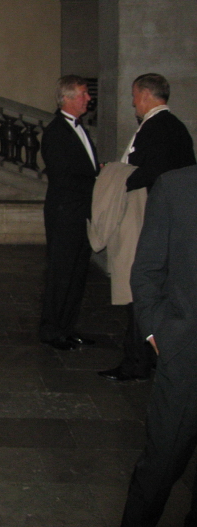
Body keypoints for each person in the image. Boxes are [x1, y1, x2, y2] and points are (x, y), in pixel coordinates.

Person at [98, 73, 196, 382]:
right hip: (173, 218)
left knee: (141, 286)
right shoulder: (175, 126)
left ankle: (136, 362)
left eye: (133, 96)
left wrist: (114, 177)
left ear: (144, 95)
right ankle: (152, 356)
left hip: (151, 217)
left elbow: (147, 172)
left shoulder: (155, 127)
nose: (132, 103)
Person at [119, 165, 197, 527]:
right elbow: (147, 269)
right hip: (187, 351)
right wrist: (158, 331)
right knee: (161, 463)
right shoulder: (177, 187)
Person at [39, 75, 99, 351]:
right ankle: (52, 331)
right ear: (67, 98)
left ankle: (67, 327)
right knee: (61, 273)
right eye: (84, 94)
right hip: (65, 213)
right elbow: (64, 176)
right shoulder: (56, 132)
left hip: (79, 211)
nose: (89, 98)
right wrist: (98, 183)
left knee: (77, 274)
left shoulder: (77, 128)